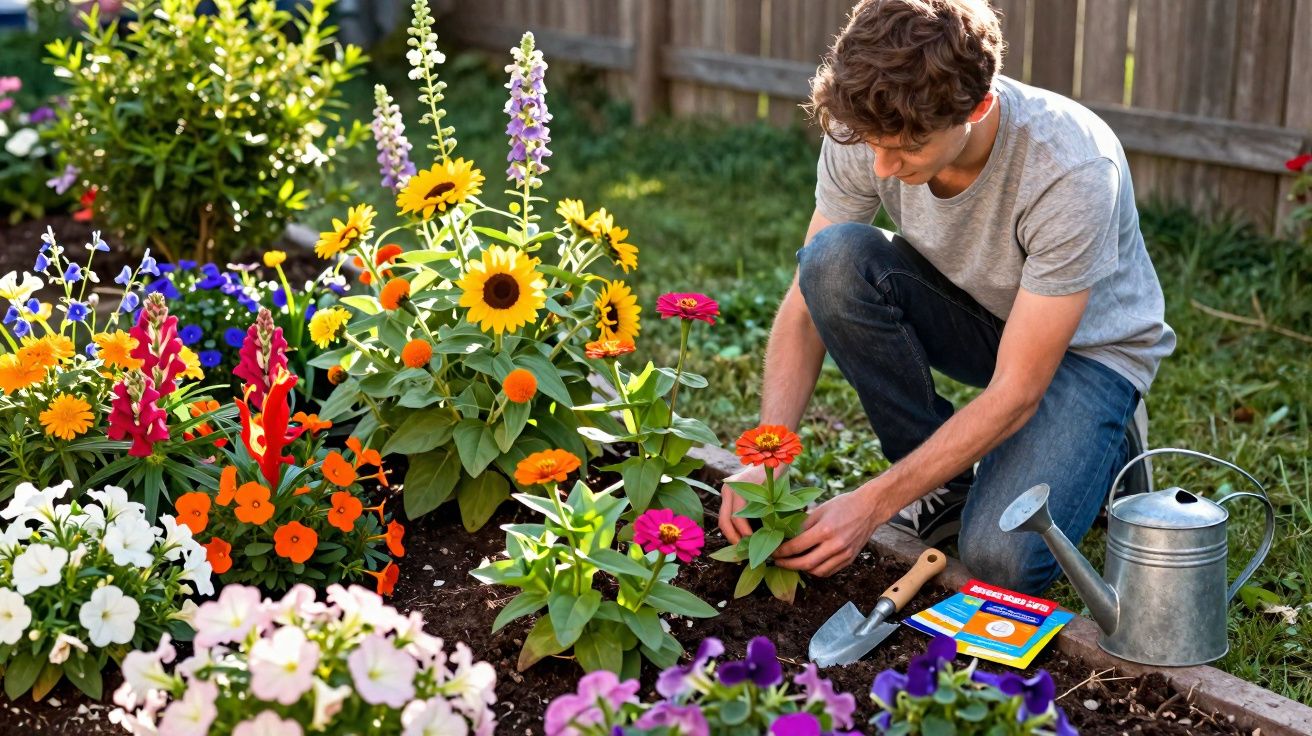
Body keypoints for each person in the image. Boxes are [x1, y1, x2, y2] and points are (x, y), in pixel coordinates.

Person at [717, 0, 1175, 595]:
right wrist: (768, 454)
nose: (880, 164)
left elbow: (1018, 390)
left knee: (1000, 559)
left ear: (977, 107)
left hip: (1086, 353)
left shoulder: (1069, 166)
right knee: (829, 263)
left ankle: (1110, 438)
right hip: (981, 315)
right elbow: (806, 305)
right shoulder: (870, 119)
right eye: (871, 143)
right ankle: (943, 485)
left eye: (905, 149)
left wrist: (872, 504)